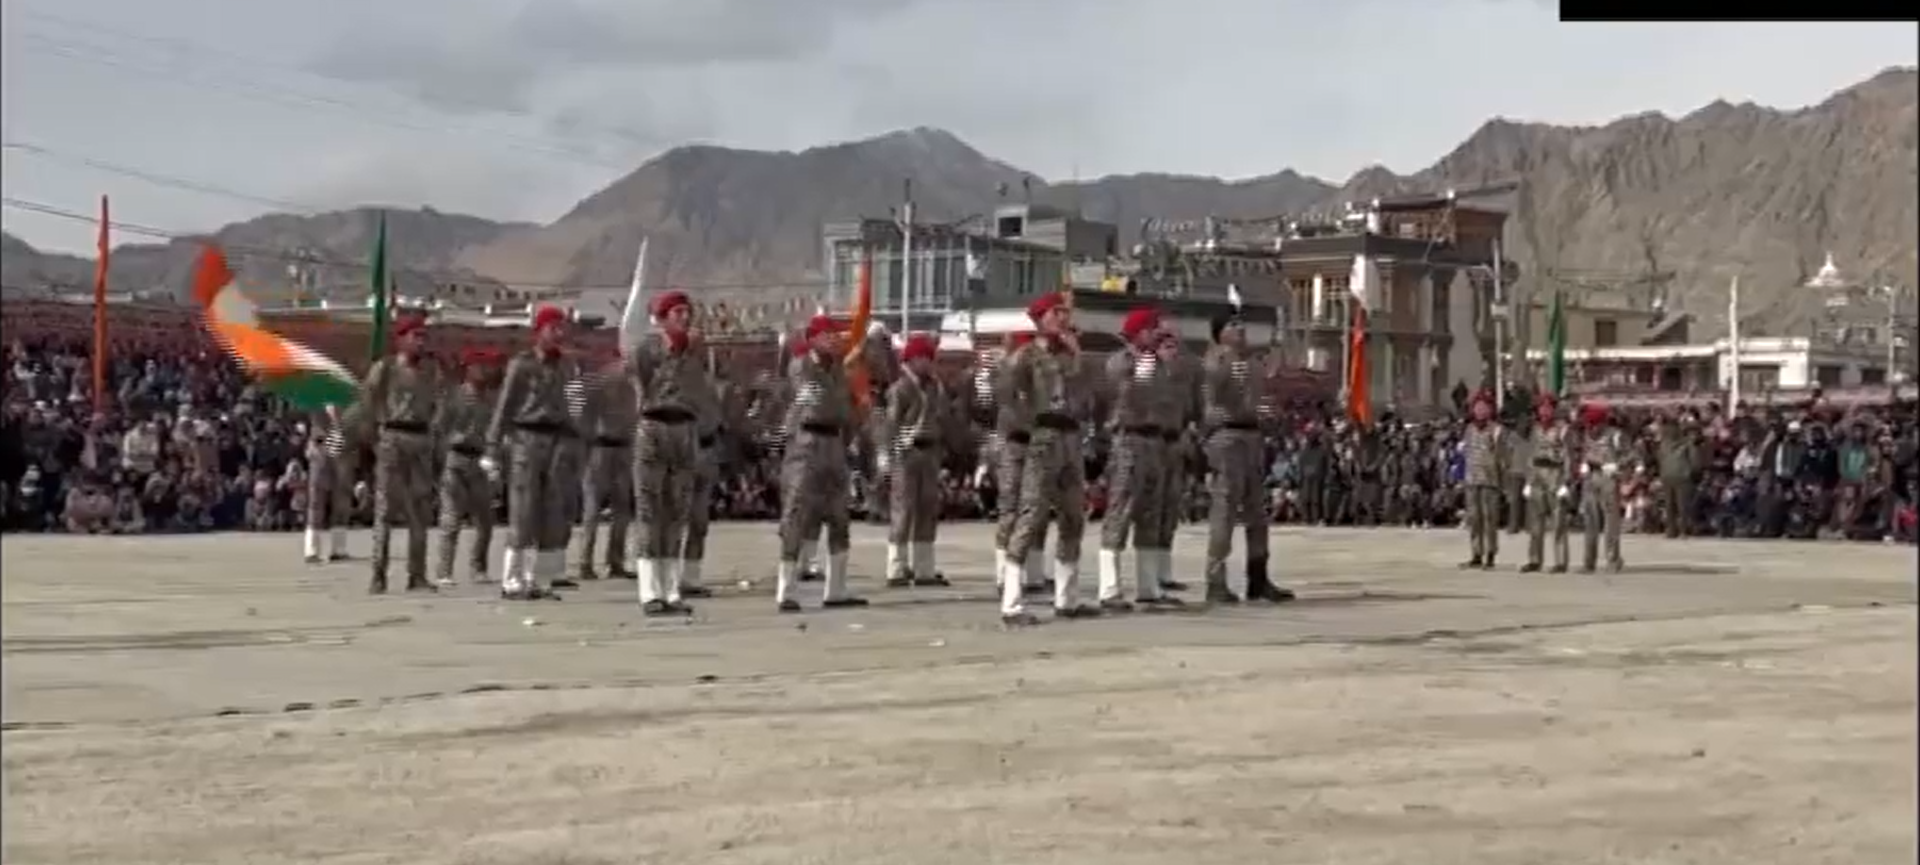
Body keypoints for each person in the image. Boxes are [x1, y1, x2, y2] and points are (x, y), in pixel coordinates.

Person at [999, 292, 1100, 626]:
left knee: (1074, 515)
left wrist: (1077, 355)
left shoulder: (1072, 355)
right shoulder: (1025, 356)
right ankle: (1012, 602)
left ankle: (1067, 599)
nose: (1063, 318)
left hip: (1071, 438)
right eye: (1056, 313)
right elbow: (1008, 398)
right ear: (1040, 318)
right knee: (1031, 515)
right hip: (1043, 437)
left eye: (1065, 313)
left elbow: (1089, 396)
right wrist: (1028, 430)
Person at [484, 305, 581, 601]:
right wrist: (492, 446)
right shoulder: (522, 365)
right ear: (539, 331)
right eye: (553, 328)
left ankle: (540, 580)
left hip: (559, 440)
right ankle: (512, 580)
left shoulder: (568, 366)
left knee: (553, 511)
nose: (559, 334)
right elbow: (504, 407)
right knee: (524, 510)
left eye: (561, 328)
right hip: (527, 438)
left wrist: (577, 439)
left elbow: (576, 406)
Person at [773, 313, 868, 613]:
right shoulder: (802, 366)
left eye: (836, 335)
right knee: (797, 514)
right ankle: (786, 588)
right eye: (828, 334)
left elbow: (847, 410)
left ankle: (837, 589)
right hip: (806, 444)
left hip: (834, 444)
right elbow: (814, 402)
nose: (835, 339)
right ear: (812, 338)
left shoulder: (839, 371)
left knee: (839, 515)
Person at [342, 313, 441, 594]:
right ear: (401, 339)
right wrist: (373, 439)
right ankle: (378, 573)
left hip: (421, 438)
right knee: (385, 510)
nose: (421, 342)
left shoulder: (430, 371)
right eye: (415, 336)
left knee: (420, 510)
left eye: (424, 337)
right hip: (392, 437)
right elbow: (366, 404)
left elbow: (438, 404)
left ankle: (417, 575)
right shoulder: (384, 369)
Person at [620, 290, 705, 615]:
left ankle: (672, 590)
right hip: (653, 427)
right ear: (662, 319)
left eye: (687, 312)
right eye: (678, 312)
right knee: (649, 510)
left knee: (677, 511)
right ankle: (649, 591)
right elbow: (637, 381)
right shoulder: (648, 350)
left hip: (684, 430)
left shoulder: (695, 354)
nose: (685, 318)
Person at [1200, 312, 1293, 603]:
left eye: (1242, 324)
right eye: (1232, 325)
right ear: (1219, 333)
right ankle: (1215, 580)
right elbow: (1208, 403)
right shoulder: (1215, 362)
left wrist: (1268, 413)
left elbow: (1260, 400)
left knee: (1257, 512)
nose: (1240, 330)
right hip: (1226, 438)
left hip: (1253, 437)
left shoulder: (1253, 365)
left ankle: (1258, 577)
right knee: (1225, 510)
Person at [1096, 306, 1180, 612]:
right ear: (1137, 332)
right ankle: (1109, 588)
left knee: (1151, 512)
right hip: (1129, 439)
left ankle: (1148, 587)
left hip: (1154, 441)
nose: (1157, 333)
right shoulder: (1121, 362)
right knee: (1120, 510)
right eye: (1152, 328)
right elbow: (1130, 393)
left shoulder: (1156, 363)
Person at [982, 331, 1050, 597]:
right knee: (1010, 508)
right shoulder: (1003, 375)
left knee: (1037, 508)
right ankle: (1004, 575)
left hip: (1036, 443)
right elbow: (998, 400)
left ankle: (1034, 574)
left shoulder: (1038, 378)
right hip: (1013, 444)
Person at [881, 332, 951, 587]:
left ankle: (924, 569)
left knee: (927, 509)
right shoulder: (900, 389)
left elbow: (943, 418)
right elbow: (890, 426)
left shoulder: (934, 387)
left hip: (930, 451)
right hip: (906, 453)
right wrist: (889, 458)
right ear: (911, 359)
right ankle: (896, 568)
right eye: (924, 358)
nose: (929, 364)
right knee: (903, 510)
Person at [433, 347, 499, 586]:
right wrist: (455, 440)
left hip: (481, 461)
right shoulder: (455, 397)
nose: (486, 371)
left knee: (485, 521)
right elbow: (439, 427)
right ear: (470, 369)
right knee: (451, 519)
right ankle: (444, 571)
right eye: (481, 366)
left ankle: (478, 568)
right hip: (457, 460)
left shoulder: (491, 400)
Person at [578, 347, 638, 582]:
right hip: (601, 447)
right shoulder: (600, 383)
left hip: (619, 447)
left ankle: (613, 561)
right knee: (594, 508)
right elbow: (583, 415)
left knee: (619, 508)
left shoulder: (632, 384)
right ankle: (588, 561)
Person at [1520, 395, 1574, 573]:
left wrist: (1566, 482)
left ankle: (1560, 561)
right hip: (1537, 477)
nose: (1544, 411)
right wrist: (1528, 481)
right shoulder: (1535, 430)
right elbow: (1530, 456)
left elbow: (1568, 457)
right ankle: (1534, 559)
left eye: (1548, 408)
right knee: (1535, 523)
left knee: (1558, 522)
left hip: (1555, 475)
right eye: (1541, 408)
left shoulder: (1563, 430)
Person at [1459, 389, 1507, 569]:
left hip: (1490, 480)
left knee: (1489, 519)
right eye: (1477, 407)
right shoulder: (1469, 429)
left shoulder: (1496, 430)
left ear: (1490, 409)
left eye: (1483, 407)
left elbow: (1502, 457)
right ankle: (1476, 553)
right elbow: (1465, 454)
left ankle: (1490, 554)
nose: (1480, 410)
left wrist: (1503, 480)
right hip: (1472, 479)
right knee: (1474, 518)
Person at [1578, 402, 1628, 573]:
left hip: (1608, 478)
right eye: (1588, 425)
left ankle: (1613, 560)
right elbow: (1584, 453)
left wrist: (1617, 465)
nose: (1591, 429)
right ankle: (1588, 562)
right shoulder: (1586, 435)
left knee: (1611, 523)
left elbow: (1632, 456)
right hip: (1591, 478)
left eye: (1594, 425)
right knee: (1590, 522)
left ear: (1602, 423)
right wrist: (1583, 464)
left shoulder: (1615, 436)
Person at [302, 405, 354, 564]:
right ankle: (312, 549)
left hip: (340, 443)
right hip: (321, 443)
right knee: (317, 497)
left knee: (342, 497)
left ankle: (339, 548)